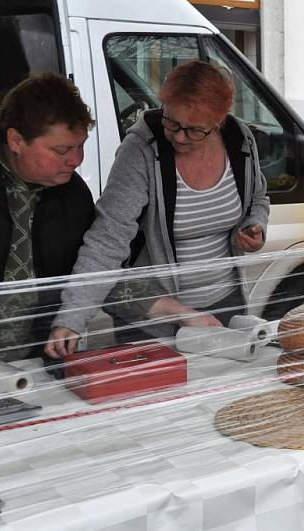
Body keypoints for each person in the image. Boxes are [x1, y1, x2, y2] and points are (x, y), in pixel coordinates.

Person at [46, 60, 270, 358]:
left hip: (226, 306)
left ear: (219, 121)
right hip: (155, 319)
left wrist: (255, 223)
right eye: (172, 122)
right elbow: (107, 238)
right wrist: (72, 318)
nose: (178, 136)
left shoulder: (240, 141)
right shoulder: (141, 149)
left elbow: (258, 197)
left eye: (194, 130)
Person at [0, 74, 95, 362]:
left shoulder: (72, 193)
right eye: (61, 150)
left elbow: (95, 265)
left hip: (33, 361)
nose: (76, 160)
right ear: (16, 140)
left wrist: (172, 310)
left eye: (80, 146)